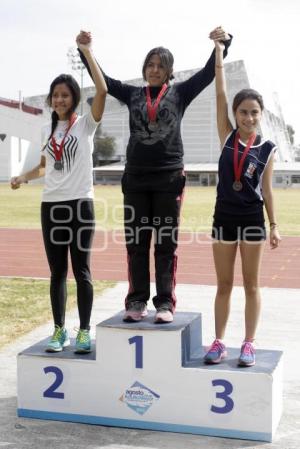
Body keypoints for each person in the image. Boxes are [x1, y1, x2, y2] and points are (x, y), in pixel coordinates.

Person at [78, 28, 232, 324]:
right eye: (150, 65)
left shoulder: (180, 93)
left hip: (169, 177)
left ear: (169, 71)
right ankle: (136, 300)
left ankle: (165, 302)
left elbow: (207, 74)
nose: (155, 70)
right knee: (136, 243)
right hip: (135, 178)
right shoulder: (133, 94)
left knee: (165, 242)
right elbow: (104, 82)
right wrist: (87, 51)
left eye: (161, 66)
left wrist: (221, 45)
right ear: (144, 69)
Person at [11, 32, 107, 353]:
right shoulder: (45, 129)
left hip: (80, 205)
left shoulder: (85, 125)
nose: (59, 99)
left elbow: (104, 89)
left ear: (74, 98)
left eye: (65, 95)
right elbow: (44, 166)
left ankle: (83, 331)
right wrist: (22, 177)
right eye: (55, 95)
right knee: (56, 273)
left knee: (82, 271)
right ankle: (59, 330)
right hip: (51, 206)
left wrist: (86, 51)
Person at [204, 35, 281, 367]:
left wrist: (274, 225)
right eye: (243, 112)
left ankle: (248, 343)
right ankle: (219, 342)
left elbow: (268, 188)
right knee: (224, 284)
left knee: (251, 284)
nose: (248, 118)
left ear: (261, 115)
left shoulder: (266, 149)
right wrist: (219, 51)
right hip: (224, 216)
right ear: (234, 114)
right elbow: (220, 91)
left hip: (252, 219)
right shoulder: (226, 136)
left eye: (254, 113)